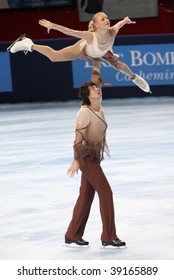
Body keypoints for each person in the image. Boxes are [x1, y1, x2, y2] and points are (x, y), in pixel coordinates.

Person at [65, 59, 126, 247]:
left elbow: (97, 79)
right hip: (85, 157)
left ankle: (72, 233)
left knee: (86, 195)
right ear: (87, 95)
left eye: (97, 88)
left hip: (93, 157)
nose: (97, 89)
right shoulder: (84, 112)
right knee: (106, 193)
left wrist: (97, 59)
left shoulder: (98, 106)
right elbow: (77, 138)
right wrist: (76, 160)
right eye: (92, 89)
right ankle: (108, 236)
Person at [7, 13, 151, 93]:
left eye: (107, 18)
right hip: (84, 49)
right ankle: (29, 44)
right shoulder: (89, 36)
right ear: (95, 25)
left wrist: (125, 20)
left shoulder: (113, 31)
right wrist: (53, 26)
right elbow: (69, 31)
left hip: (101, 52)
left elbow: (119, 23)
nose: (107, 20)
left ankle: (135, 78)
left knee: (118, 64)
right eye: (103, 19)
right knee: (54, 57)